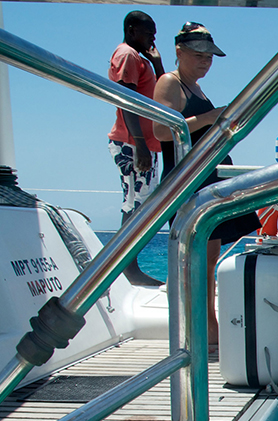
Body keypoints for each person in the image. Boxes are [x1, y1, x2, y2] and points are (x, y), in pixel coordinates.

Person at [153, 22, 260, 347]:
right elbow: (160, 131)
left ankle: (209, 331)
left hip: (209, 182)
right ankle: (200, 334)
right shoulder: (170, 83)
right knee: (195, 263)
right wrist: (211, 117)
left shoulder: (195, 88)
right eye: (199, 54)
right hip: (189, 184)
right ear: (179, 51)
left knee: (209, 262)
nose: (205, 61)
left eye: (210, 56)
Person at [108, 10, 165, 287]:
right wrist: (140, 143)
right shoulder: (127, 55)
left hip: (144, 143)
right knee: (134, 205)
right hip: (132, 143)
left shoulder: (140, 59)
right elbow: (126, 99)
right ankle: (127, 269)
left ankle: (129, 265)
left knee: (141, 205)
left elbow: (163, 96)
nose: (153, 39)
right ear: (132, 30)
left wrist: (158, 64)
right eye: (148, 33)